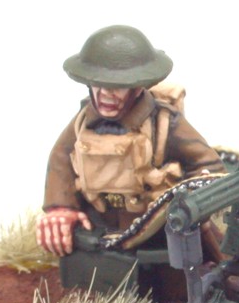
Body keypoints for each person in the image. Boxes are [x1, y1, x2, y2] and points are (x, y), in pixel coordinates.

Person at [36, 25, 223, 257]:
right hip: (100, 227)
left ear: (137, 87)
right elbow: (61, 159)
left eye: (118, 87)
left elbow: (209, 166)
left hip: (159, 229)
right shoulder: (82, 123)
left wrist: (192, 202)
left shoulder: (164, 122)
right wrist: (61, 207)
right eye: (99, 84)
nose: (106, 93)